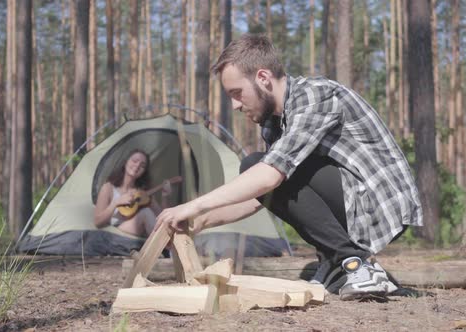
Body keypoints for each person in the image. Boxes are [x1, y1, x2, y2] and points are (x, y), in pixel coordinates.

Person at [155, 34, 423, 300]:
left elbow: (269, 177)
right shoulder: (275, 124)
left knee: (257, 166)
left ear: (263, 78)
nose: (235, 105)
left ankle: (355, 263)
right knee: (262, 170)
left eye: (237, 93)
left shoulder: (314, 96)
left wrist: (193, 204)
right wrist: (200, 220)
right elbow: (264, 196)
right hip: (354, 202)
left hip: (378, 204)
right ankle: (338, 264)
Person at [94, 149, 173, 237]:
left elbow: (162, 217)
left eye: (142, 165)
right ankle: (166, 245)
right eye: (135, 161)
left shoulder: (142, 194)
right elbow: (97, 222)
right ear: (125, 162)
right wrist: (116, 203)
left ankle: (166, 245)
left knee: (148, 212)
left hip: (135, 236)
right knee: (145, 212)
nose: (137, 165)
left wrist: (165, 196)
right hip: (114, 235)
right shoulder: (108, 188)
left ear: (143, 172)